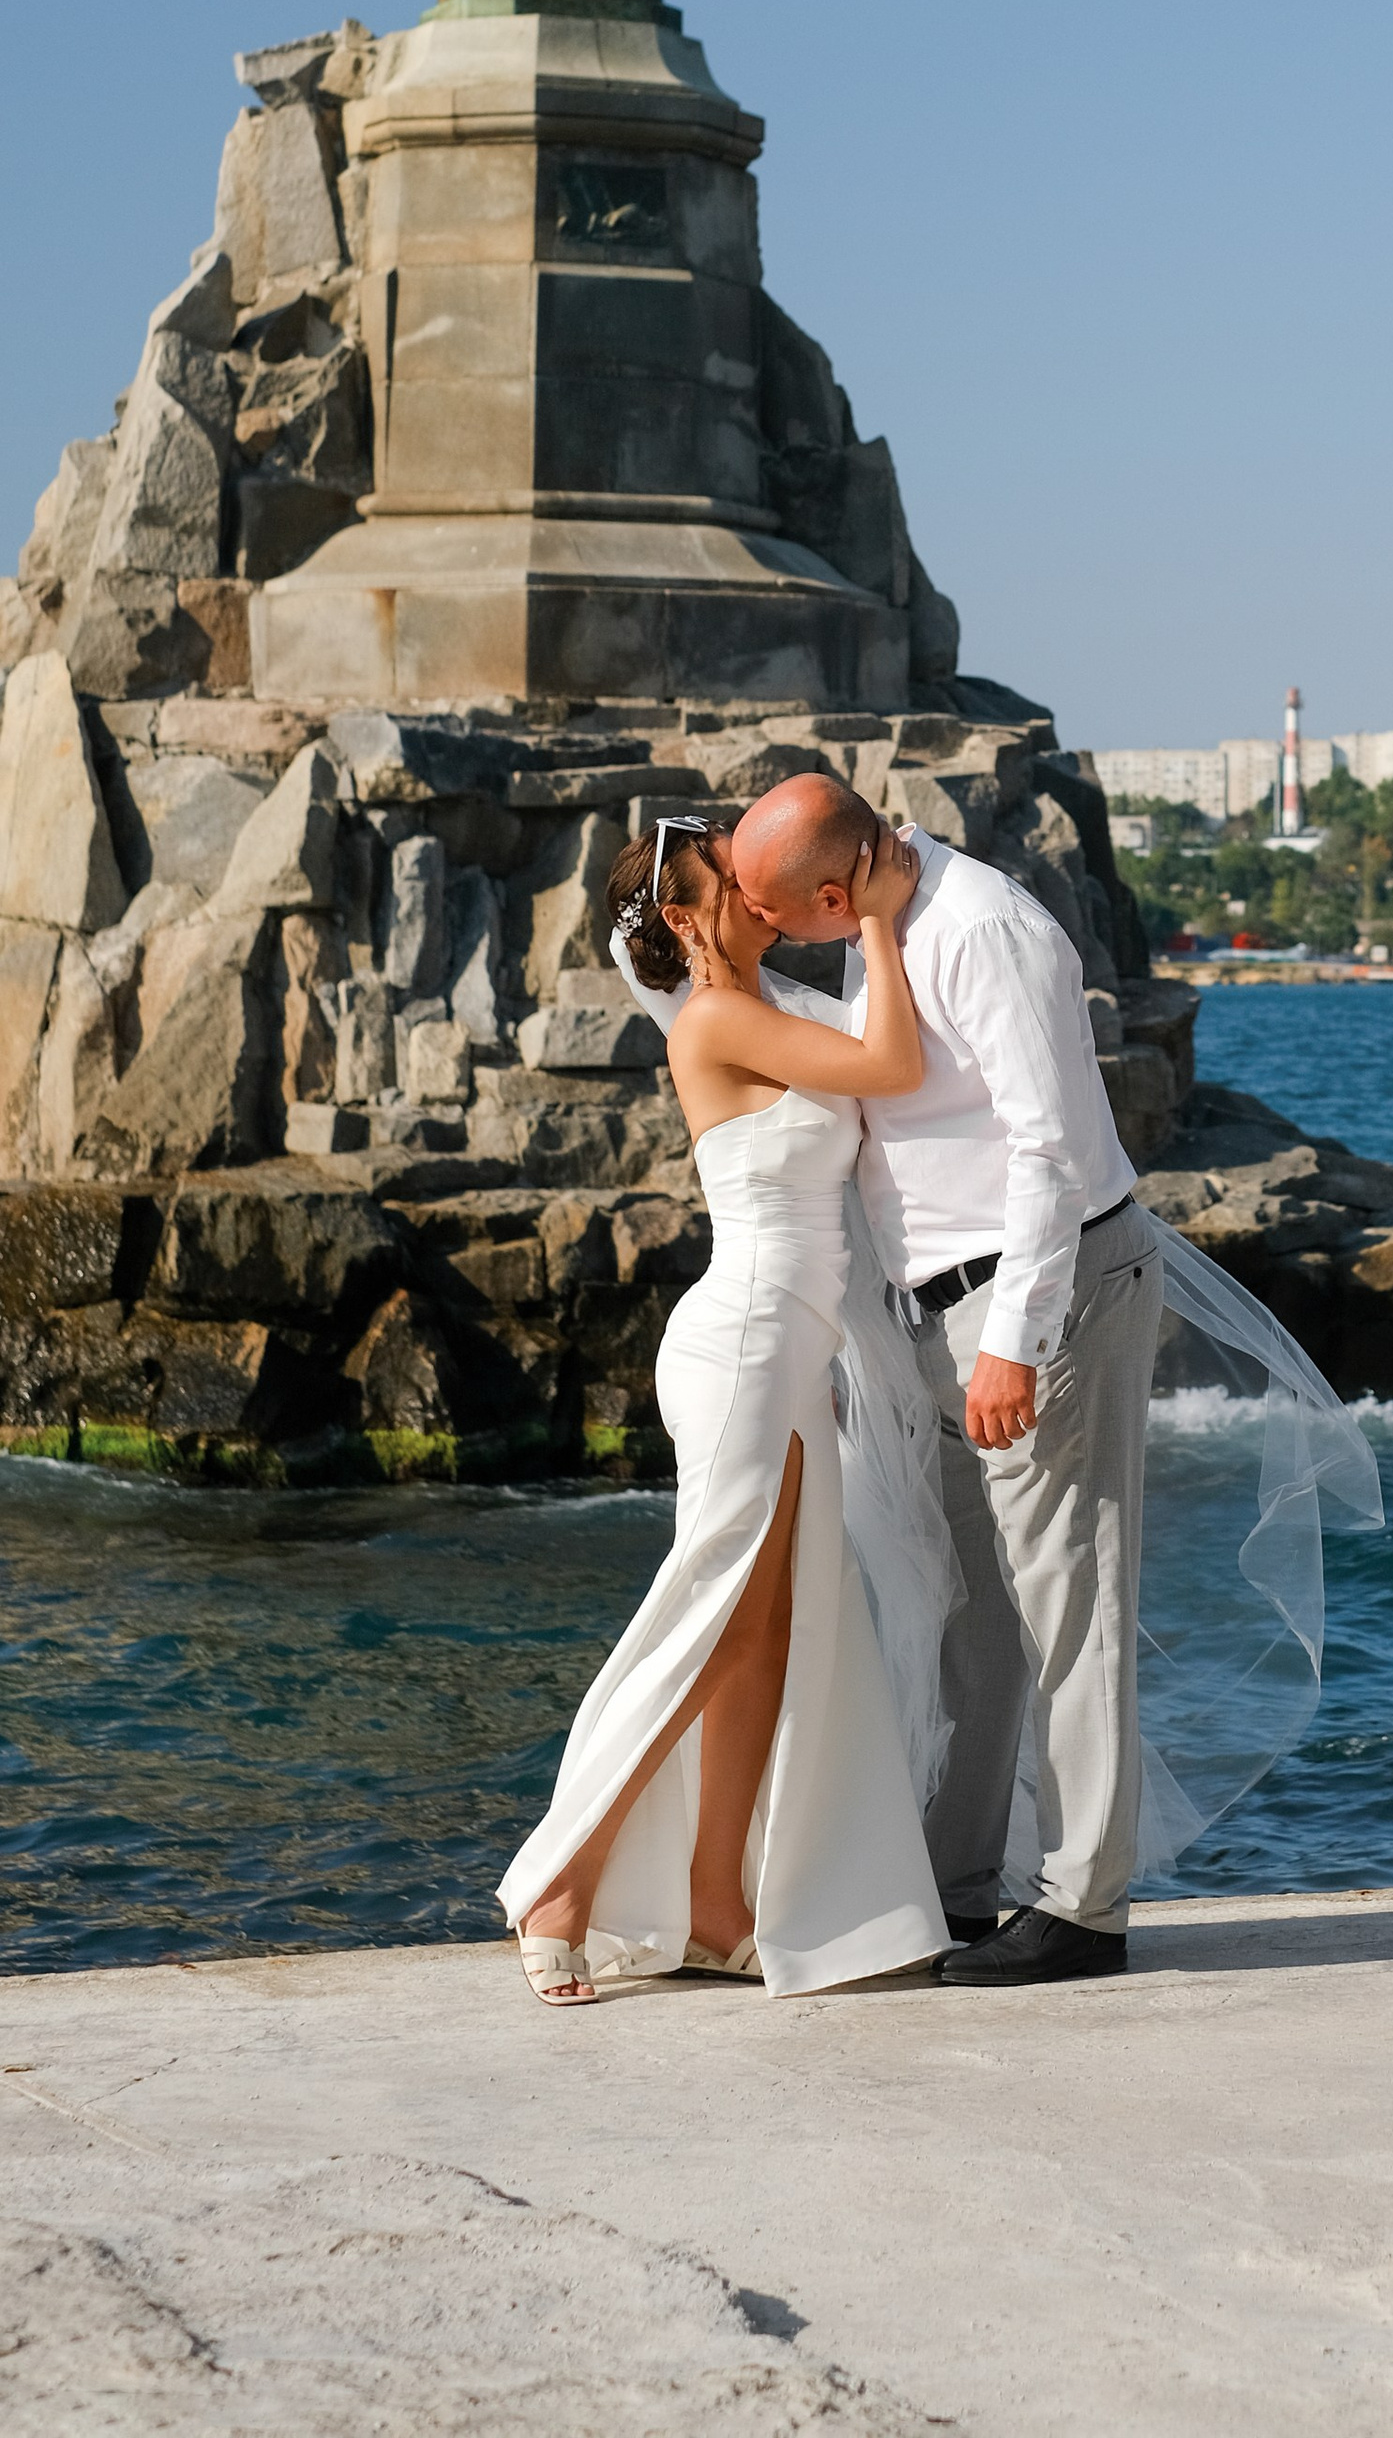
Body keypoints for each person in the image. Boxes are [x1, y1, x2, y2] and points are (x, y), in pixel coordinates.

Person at [497, 811, 952, 2007]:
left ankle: (716, 1909)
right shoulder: (717, 1015)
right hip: (744, 1340)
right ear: (688, 918)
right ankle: (562, 1883)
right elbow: (893, 1067)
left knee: (763, 1634)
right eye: (726, 889)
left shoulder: (778, 1007)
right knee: (705, 1615)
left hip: (792, 1351)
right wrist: (883, 927)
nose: (758, 900)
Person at [728, 771, 1163, 1989]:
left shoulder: (979, 929)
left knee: (1069, 1599)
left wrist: (1013, 1341)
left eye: (778, 917)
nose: (775, 938)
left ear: (830, 888)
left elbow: (1051, 1147)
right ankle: (961, 1885)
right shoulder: (886, 923)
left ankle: (1083, 1907)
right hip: (950, 1306)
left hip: (1042, 1293)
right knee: (976, 1610)